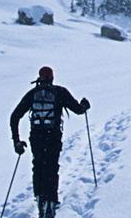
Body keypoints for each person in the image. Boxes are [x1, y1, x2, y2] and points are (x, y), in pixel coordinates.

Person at [10, 66, 90, 218]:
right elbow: (78, 110)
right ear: (52, 78)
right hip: (53, 137)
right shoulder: (60, 92)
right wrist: (85, 105)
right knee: (52, 167)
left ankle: (40, 199)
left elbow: (15, 116)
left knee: (38, 166)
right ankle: (51, 202)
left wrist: (17, 141)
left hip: (36, 138)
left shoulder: (32, 94)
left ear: (39, 78)